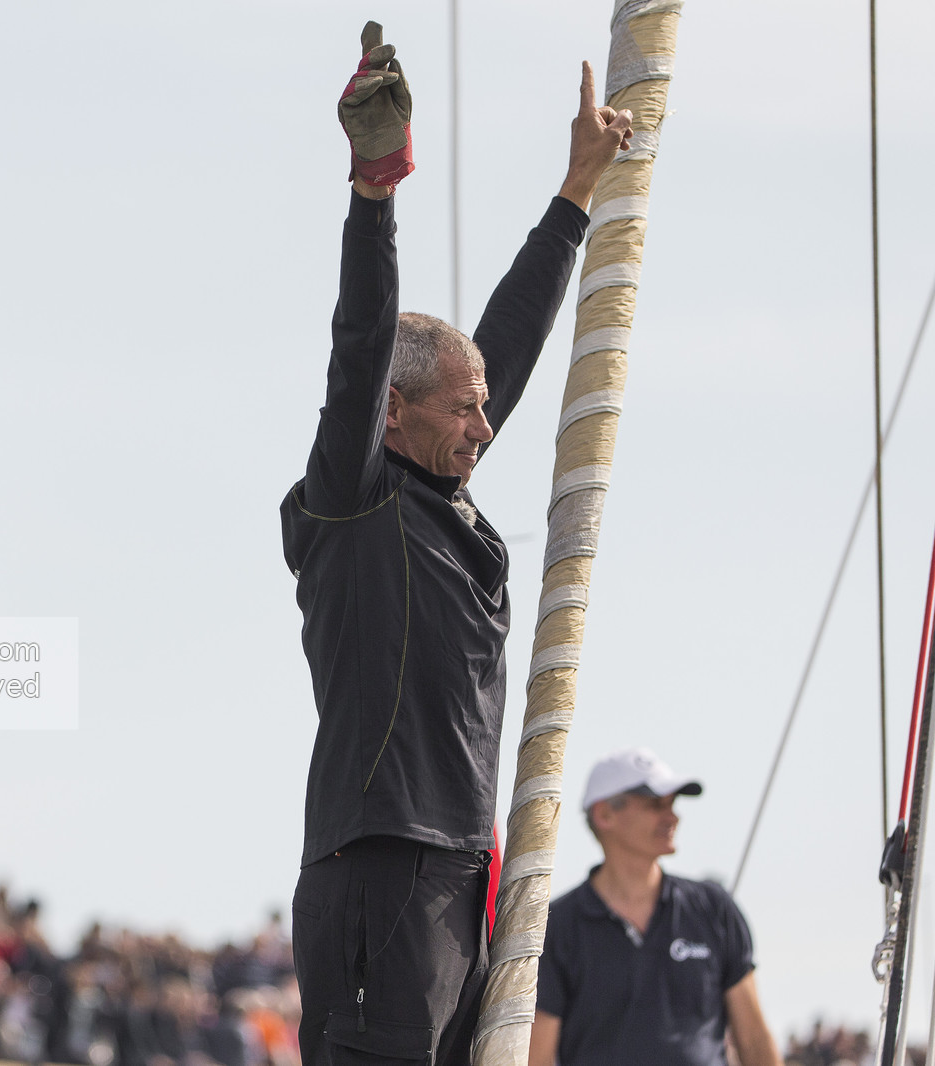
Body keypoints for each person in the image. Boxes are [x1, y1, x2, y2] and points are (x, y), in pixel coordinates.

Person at [281, 22, 632, 1066]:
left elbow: (505, 348)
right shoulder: (355, 496)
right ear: (393, 415)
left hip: (457, 875)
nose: (486, 428)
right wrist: (374, 194)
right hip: (382, 868)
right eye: (462, 411)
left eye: (485, 410)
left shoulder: (448, 493)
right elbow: (360, 342)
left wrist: (574, 196)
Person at [530, 749, 782, 1066]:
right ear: (604, 814)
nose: (673, 816)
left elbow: (754, 1040)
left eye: (672, 804)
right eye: (655, 805)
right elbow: (536, 1057)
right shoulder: (557, 927)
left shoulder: (714, 909)